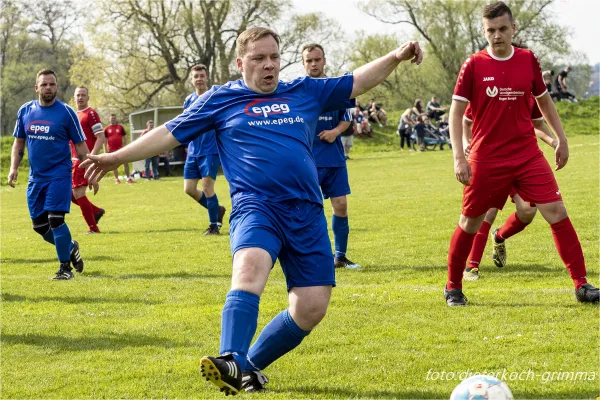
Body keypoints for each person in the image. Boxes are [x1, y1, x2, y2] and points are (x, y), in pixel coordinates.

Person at [81, 26, 422, 394]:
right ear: (241, 63)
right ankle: (230, 356)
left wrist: (396, 56)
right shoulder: (220, 99)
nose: (268, 65)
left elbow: (356, 81)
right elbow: (169, 132)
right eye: (259, 58)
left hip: (306, 212)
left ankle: (248, 367)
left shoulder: (303, 91)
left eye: (274, 57)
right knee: (250, 265)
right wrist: (116, 157)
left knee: (311, 308)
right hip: (256, 206)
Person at [445, 1, 598, 306]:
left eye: (502, 29)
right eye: (491, 30)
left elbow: (544, 103)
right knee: (470, 223)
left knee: (557, 212)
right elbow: (456, 113)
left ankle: (581, 285)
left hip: (527, 156)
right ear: (484, 31)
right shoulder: (473, 65)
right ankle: (453, 286)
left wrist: (561, 139)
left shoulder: (528, 60)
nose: (497, 35)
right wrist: (459, 157)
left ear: (513, 29)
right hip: (486, 159)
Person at [461, 102, 558, 280]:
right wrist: (467, 144)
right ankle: (472, 266)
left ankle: (499, 236)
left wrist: (554, 142)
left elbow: (536, 124)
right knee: (487, 212)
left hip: (519, 160)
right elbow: (465, 121)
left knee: (528, 211)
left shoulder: (526, 93)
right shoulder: (486, 88)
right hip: (489, 160)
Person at [8, 69, 87, 280]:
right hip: (36, 178)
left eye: (52, 84)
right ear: (37, 88)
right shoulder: (25, 111)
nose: (48, 88)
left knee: (55, 220)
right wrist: (13, 168)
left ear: (57, 87)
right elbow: (19, 143)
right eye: (44, 84)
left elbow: (81, 146)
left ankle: (65, 269)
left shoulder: (66, 113)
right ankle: (70, 247)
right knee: (40, 226)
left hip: (59, 175)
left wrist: (91, 172)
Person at [302, 43, 361, 269]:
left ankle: (340, 256)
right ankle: (311, 257)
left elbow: (346, 118)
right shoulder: (298, 90)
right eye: (309, 60)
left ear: (324, 60)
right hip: (307, 160)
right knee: (309, 209)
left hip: (334, 158)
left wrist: (335, 131)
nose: (314, 64)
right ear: (304, 63)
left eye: (317, 59)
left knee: (341, 205)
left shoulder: (337, 88)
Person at [183, 64, 226, 235]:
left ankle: (214, 226)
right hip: (193, 151)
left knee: (208, 188)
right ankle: (218, 210)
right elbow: (184, 124)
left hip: (210, 149)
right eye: (196, 76)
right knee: (189, 189)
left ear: (207, 77)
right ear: (192, 80)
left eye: (202, 75)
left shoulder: (214, 97)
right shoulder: (188, 100)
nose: (199, 79)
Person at [71, 86, 105, 234]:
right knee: (70, 195)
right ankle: (96, 211)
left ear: (88, 97)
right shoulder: (72, 114)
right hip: (72, 160)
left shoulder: (91, 114)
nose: (80, 97)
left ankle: (93, 228)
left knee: (78, 194)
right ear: (74, 97)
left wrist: (92, 157)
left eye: (83, 95)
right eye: (78, 95)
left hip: (83, 160)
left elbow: (100, 137)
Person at [104, 114, 134, 184]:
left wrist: (127, 146)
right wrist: (105, 150)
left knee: (125, 163)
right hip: (111, 150)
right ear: (109, 119)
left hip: (121, 149)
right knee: (114, 165)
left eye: (114, 118)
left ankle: (128, 178)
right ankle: (117, 179)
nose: (113, 119)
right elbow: (104, 141)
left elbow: (125, 137)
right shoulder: (106, 129)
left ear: (116, 119)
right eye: (112, 118)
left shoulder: (120, 127)